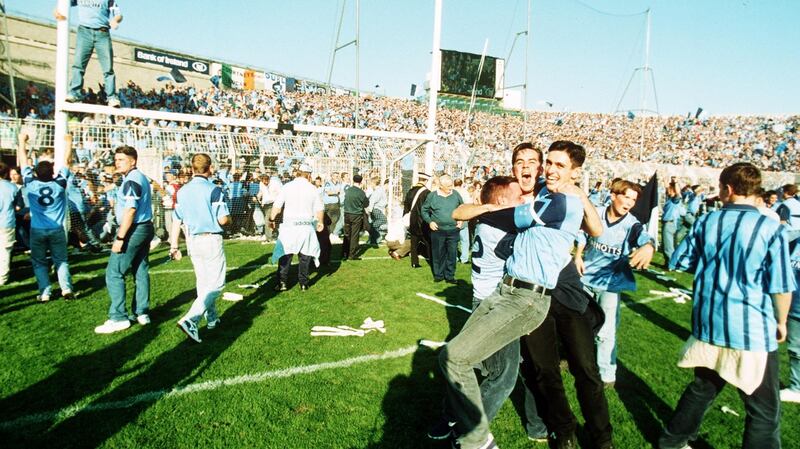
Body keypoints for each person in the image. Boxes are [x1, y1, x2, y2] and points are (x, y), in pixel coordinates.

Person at [437, 141, 588, 449]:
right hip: (499, 292)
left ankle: (513, 430)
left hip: (529, 296)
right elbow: (460, 211)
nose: (527, 166)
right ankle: (460, 423)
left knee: (530, 368)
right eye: (520, 161)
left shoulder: (553, 197)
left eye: (534, 161)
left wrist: (579, 245)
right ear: (513, 166)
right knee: (487, 367)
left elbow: (588, 227)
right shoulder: (507, 196)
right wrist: (488, 209)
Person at [659, 162, 794, 449]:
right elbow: (781, 285)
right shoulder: (771, 229)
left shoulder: (707, 222)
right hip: (750, 329)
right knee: (763, 409)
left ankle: (672, 441)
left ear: (728, 189)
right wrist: (781, 321)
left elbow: (679, 261)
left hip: (710, 323)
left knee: (703, 389)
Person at [574, 179, 655, 387]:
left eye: (633, 199)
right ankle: (572, 359)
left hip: (610, 285)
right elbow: (582, 233)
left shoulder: (632, 225)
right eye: (626, 196)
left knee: (606, 331)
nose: (629, 202)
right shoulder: (597, 213)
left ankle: (606, 375)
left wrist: (649, 246)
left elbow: (644, 237)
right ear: (613, 195)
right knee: (577, 324)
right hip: (585, 279)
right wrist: (578, 255)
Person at [168, 153, 230, 343]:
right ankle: (191, 319)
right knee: (217, 284)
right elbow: (223, 219)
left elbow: (176, 220)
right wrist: (229, 220)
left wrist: (173, 245)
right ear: (210, 168)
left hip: (192, 240)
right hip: (210, 239)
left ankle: (212, 319)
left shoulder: (182, 191)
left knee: (203, 283)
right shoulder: (214, 190)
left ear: (192, 169)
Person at [95, 146, 154, 334]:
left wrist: (120, 237)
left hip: (135, 229)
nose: (116, 162)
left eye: (121, 159)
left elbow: (130, 210)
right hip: (145, 227)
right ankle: (142, 312)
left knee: (114, 272)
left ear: (133, 161)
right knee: (140, 269)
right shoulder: (140, 177)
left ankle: (119, 317)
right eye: (116, 159)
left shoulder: (131, 181)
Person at [17, 132, 75, 301]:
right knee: (61, 260)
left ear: (35, 173)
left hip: (37, 229)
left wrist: (22, 141)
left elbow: (22, 161)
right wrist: (69, 142)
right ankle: (66, 289)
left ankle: (45, 293)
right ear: (52, 172)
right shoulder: (59, 184)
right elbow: (68, 162)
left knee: (39, 261)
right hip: (56, 229)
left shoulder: (30, 183)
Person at [54, 0, 122, 107]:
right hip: (84, 31)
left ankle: (112, 97)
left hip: (102, 33)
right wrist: (57, 10)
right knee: (78, 64)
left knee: (108, 68)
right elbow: (65, 3)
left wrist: (115, 20)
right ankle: (74, 92)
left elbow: (118, 14)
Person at [270, 164, 323, 292]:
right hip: (305, 225)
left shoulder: (287, 187)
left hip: (289, 225)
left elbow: (277, 206)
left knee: (285, 255)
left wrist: (272, 219)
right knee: (305, 256)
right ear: (309, 175)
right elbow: (319, 208)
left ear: (298, 173)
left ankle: (282, 283)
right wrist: (320, 222)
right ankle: (303, 283)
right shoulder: (312, 188)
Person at [421, 174, 463, 283]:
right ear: (441, 186)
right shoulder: (432, 196)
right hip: (438, 230)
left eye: (451, 185)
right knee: (438, 254)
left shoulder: (456, 194)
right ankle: (438, 275)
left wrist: (461, 220)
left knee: (452, 254)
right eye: (448, 186)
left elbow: (462, 207)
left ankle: (450, 276)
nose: (450, 188)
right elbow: (424, 210)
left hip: (453, 230)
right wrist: (430, 222)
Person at [403, 172, 431, 269]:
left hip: (412, 219)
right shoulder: (426, 192)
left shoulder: (411, 191)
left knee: (413, 242)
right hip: (422, 220)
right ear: (426, 180)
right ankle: (431, 260)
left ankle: (414, 262)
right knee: (428, 242)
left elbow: (406, 206)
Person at [0, 161, 21, 285]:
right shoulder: (13, 187)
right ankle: (2, 278)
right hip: (7, 222)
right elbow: (19, 206)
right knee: (5, 251)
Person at [341, 174, 369, 260]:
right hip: (356, 214)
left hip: (347, 213)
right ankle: (352, 254)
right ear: (360, 182)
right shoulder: (361, 192)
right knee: (354, 235)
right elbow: (366, 204)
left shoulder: (348, 190)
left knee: (347, 234)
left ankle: (344, 252)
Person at [661, 182, 683, 262]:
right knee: (666, 244)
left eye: (669, 189)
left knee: (668, 245)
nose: (667, 190)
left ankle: (670, 263)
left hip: (669, 223)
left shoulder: (675, 200)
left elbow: (678, 193)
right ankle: (668, 261)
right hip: (668, 223)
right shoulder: (670, 199)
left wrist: (676, 182)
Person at [453, 178, 473, 264]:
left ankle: (454, 257)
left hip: (453, 216)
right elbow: (469, 203)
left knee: (453, 239)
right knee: (464, 239)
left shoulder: (451, 191)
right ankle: (464, 258)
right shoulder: (464, 191)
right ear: (461, 184)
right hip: (462, 215)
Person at [366, 177, 388, 246]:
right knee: (382, 220)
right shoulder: (378, 191)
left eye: (371, 183)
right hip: (376, 209)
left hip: (377, 209)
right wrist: (369, 210)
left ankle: (374, 239)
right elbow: (372, 201)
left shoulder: (379, 190)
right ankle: (372, 228)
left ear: (373, 183)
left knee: (378, 223)